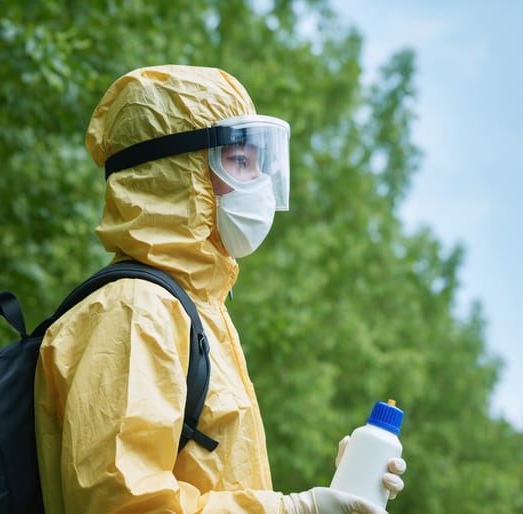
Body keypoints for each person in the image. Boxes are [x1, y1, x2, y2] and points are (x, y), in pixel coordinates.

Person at [33, 65, 406, 513]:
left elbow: (213, 487)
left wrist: (334, 496)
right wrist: (294, 510)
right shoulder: (136, 310)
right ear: (178, 171)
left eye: (259, 163)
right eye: (241, 162)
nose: (260, 184)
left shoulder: (197, 310)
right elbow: (125, 504)